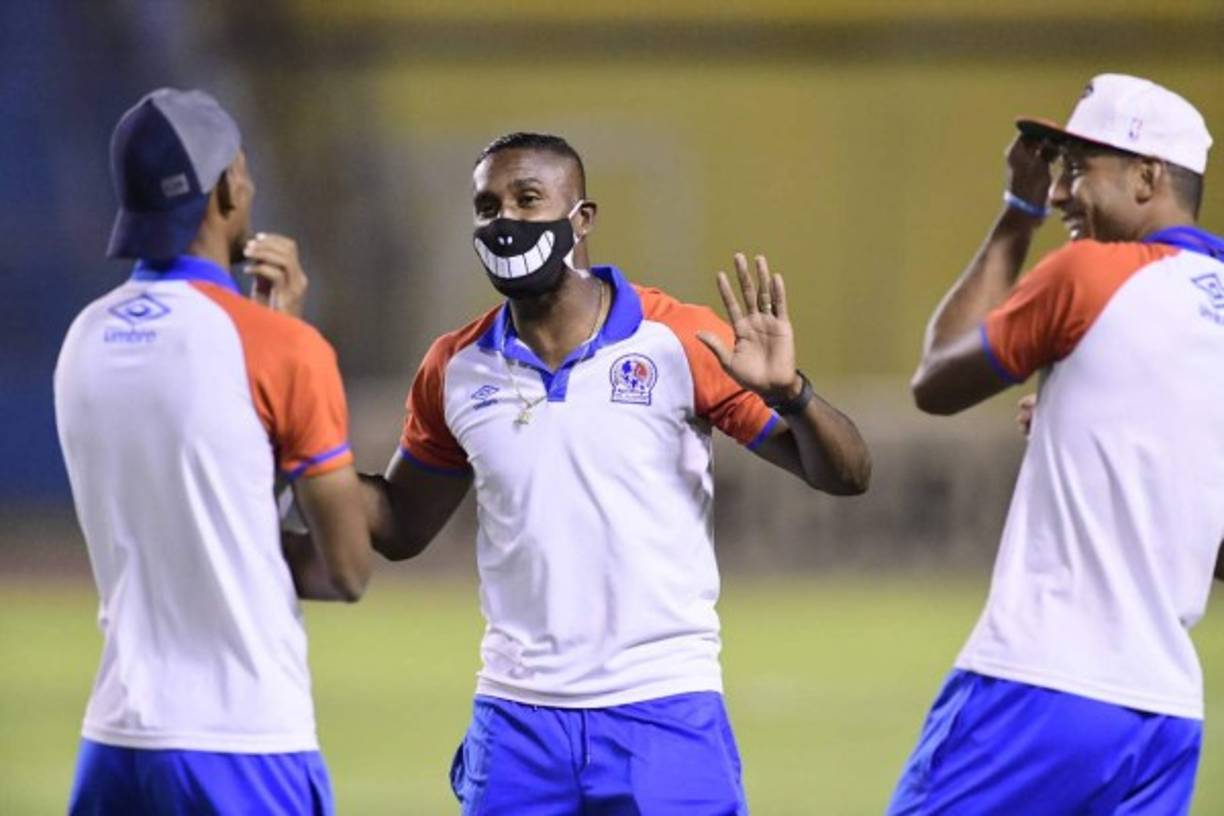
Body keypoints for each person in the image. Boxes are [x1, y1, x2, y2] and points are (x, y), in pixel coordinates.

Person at [359, 132, 872, 813]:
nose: (504, 220)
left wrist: (792, 395)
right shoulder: (456, 366)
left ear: (583, 217)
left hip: (662, 710)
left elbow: (846, 474)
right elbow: (398, 526)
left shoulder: (680, 341)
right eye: (487, 206)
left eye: (528, 198)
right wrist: (300, 462)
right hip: (516, 720)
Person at [892, 74, 1223, 814]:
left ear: (1148, 176)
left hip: (1042, 683)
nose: (1064, 191)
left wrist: (1017, 213)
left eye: (1080, 169)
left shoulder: (1092, 273)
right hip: (1165, 715)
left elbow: (937, 380)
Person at [54, 88, 371, 815]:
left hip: (115, 744)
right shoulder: (284, 349)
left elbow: (190, 504)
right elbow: (345, 570)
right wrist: (287, 341)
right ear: (228, 187)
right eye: (244, 171)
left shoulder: (83, 339)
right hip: (244, 744)